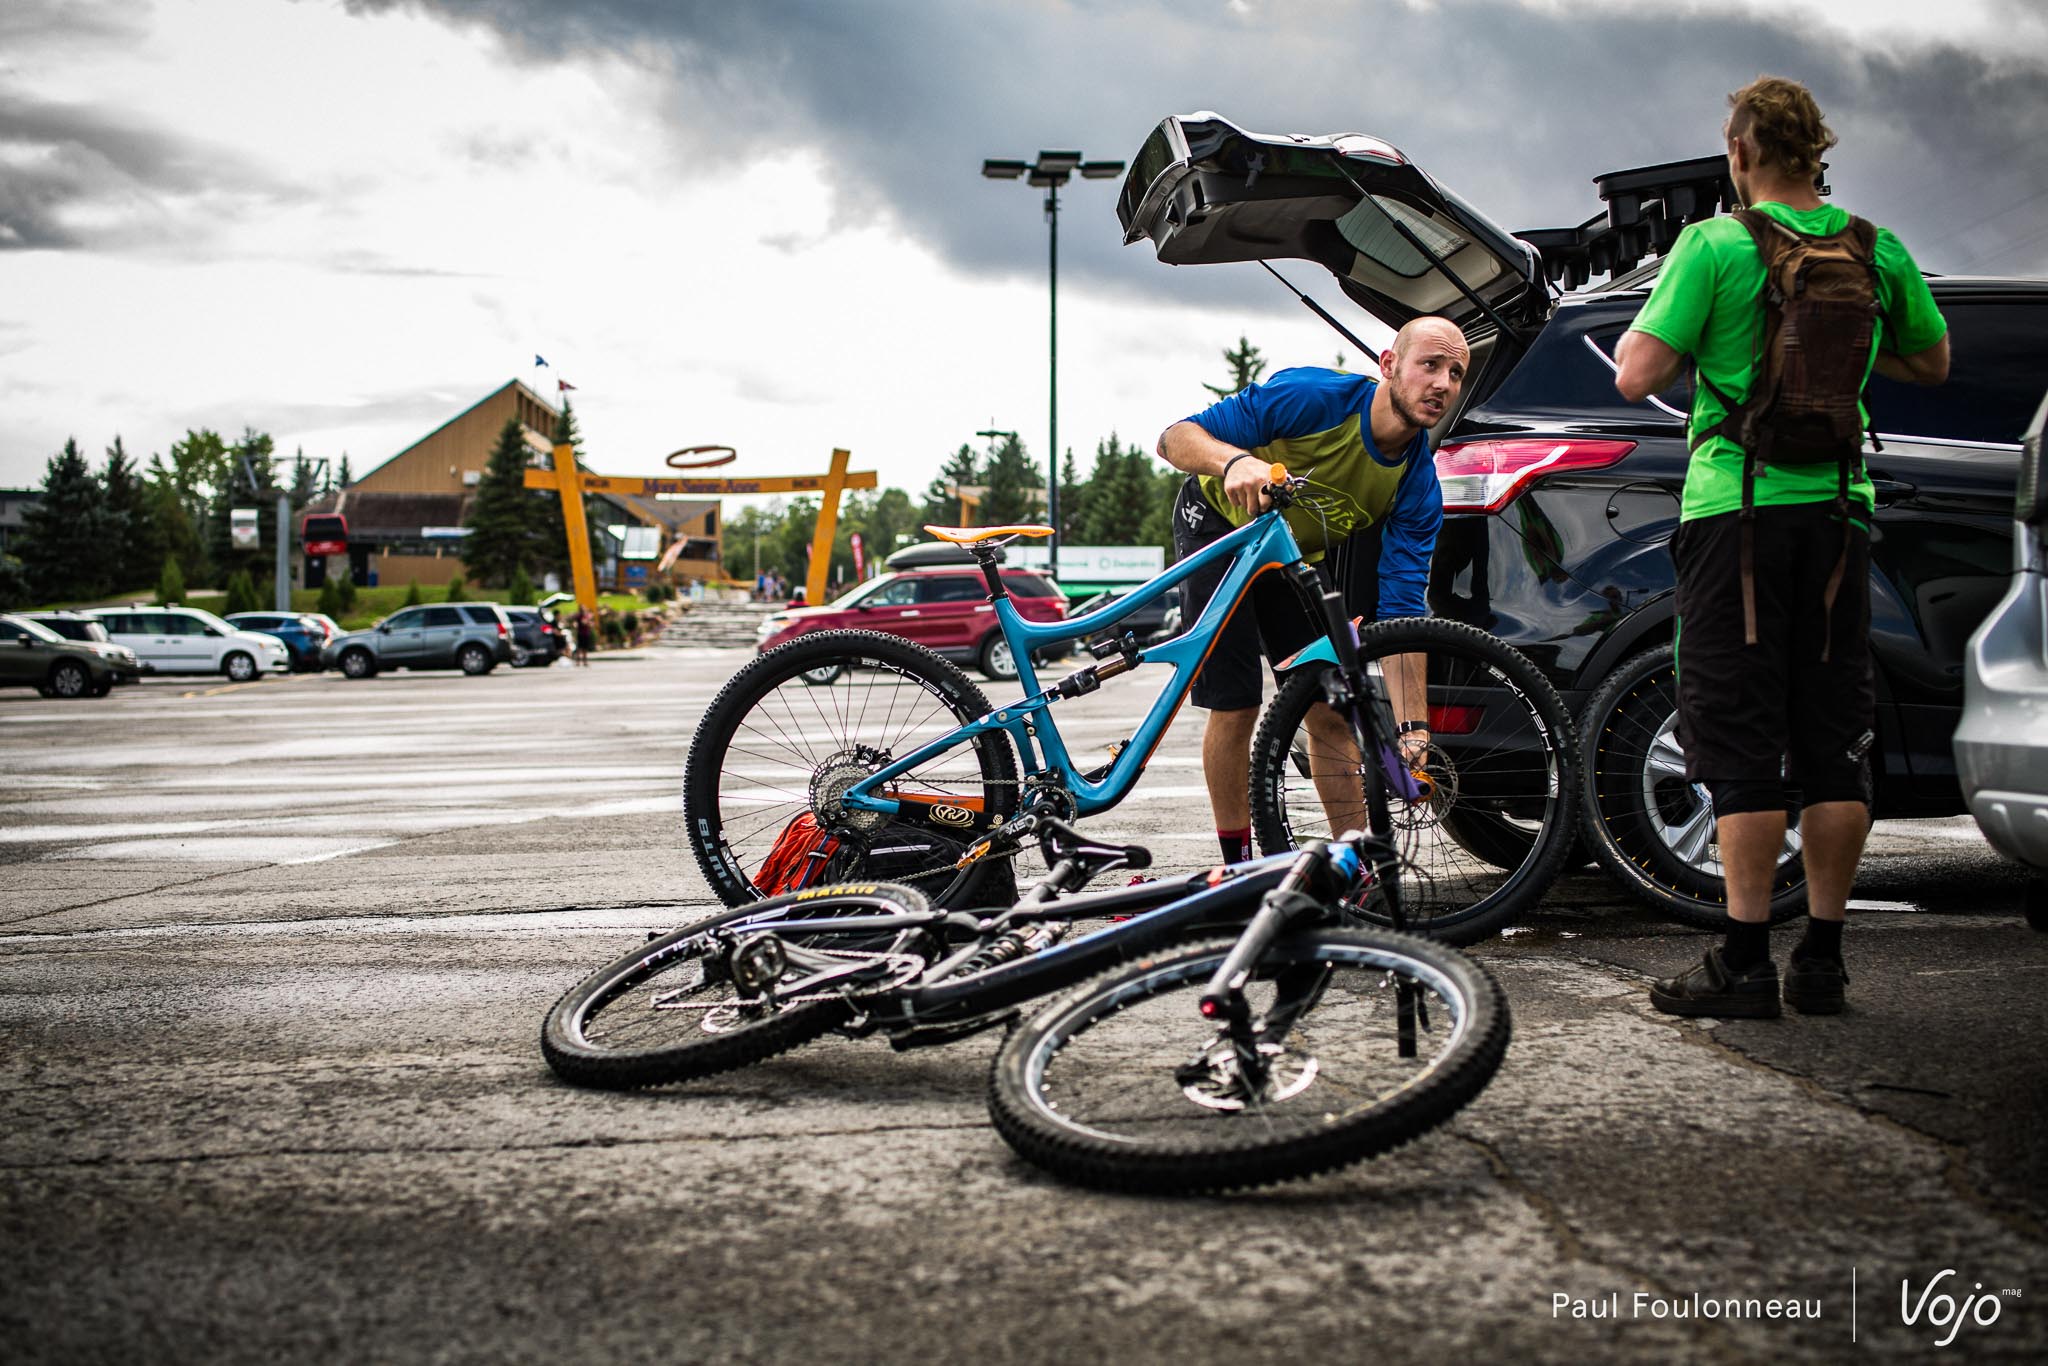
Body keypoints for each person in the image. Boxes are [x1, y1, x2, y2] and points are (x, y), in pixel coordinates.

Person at [1615, 75, 1949, 1017]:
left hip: (1738, 514)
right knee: (1835, 739)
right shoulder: (1875, 248)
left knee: (1740, 736)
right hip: (1842, 513)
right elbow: (1934, 360)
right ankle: (1826, 960)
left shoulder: (1713, 244)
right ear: (1818, 154)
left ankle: (1745, 959)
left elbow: (1639, 370)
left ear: (1741, 155)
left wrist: (1722, 336)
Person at [1156, 315, 1468, 866]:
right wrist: (1235, 460)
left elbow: (1399, 618)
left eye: (1455, 373)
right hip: (1217, 523)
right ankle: (1237, 867)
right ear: (1389, 365)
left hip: (1292, 553)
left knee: (1327, 704)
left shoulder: (1417, 483)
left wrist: (1413, 730)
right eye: (1429, 365)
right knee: (1236, 703)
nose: (1443, 383)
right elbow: (1174, 437)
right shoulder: (1314, 398)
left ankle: (1358, 862)